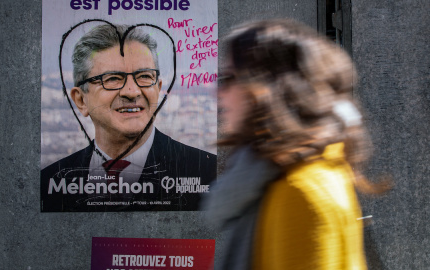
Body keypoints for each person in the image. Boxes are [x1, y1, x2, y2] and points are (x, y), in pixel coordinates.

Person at [203, 19, 386, 269]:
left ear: (266, 87)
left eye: (228, 78)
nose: (217, 91)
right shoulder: (282, 174)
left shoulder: (299, 191)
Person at [41, 24, 216, 212]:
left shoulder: (209, 174)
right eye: (112, 79)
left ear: (158, 89)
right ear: (81, 100)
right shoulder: (48, 183)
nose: (132, 92)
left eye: (144, 76)